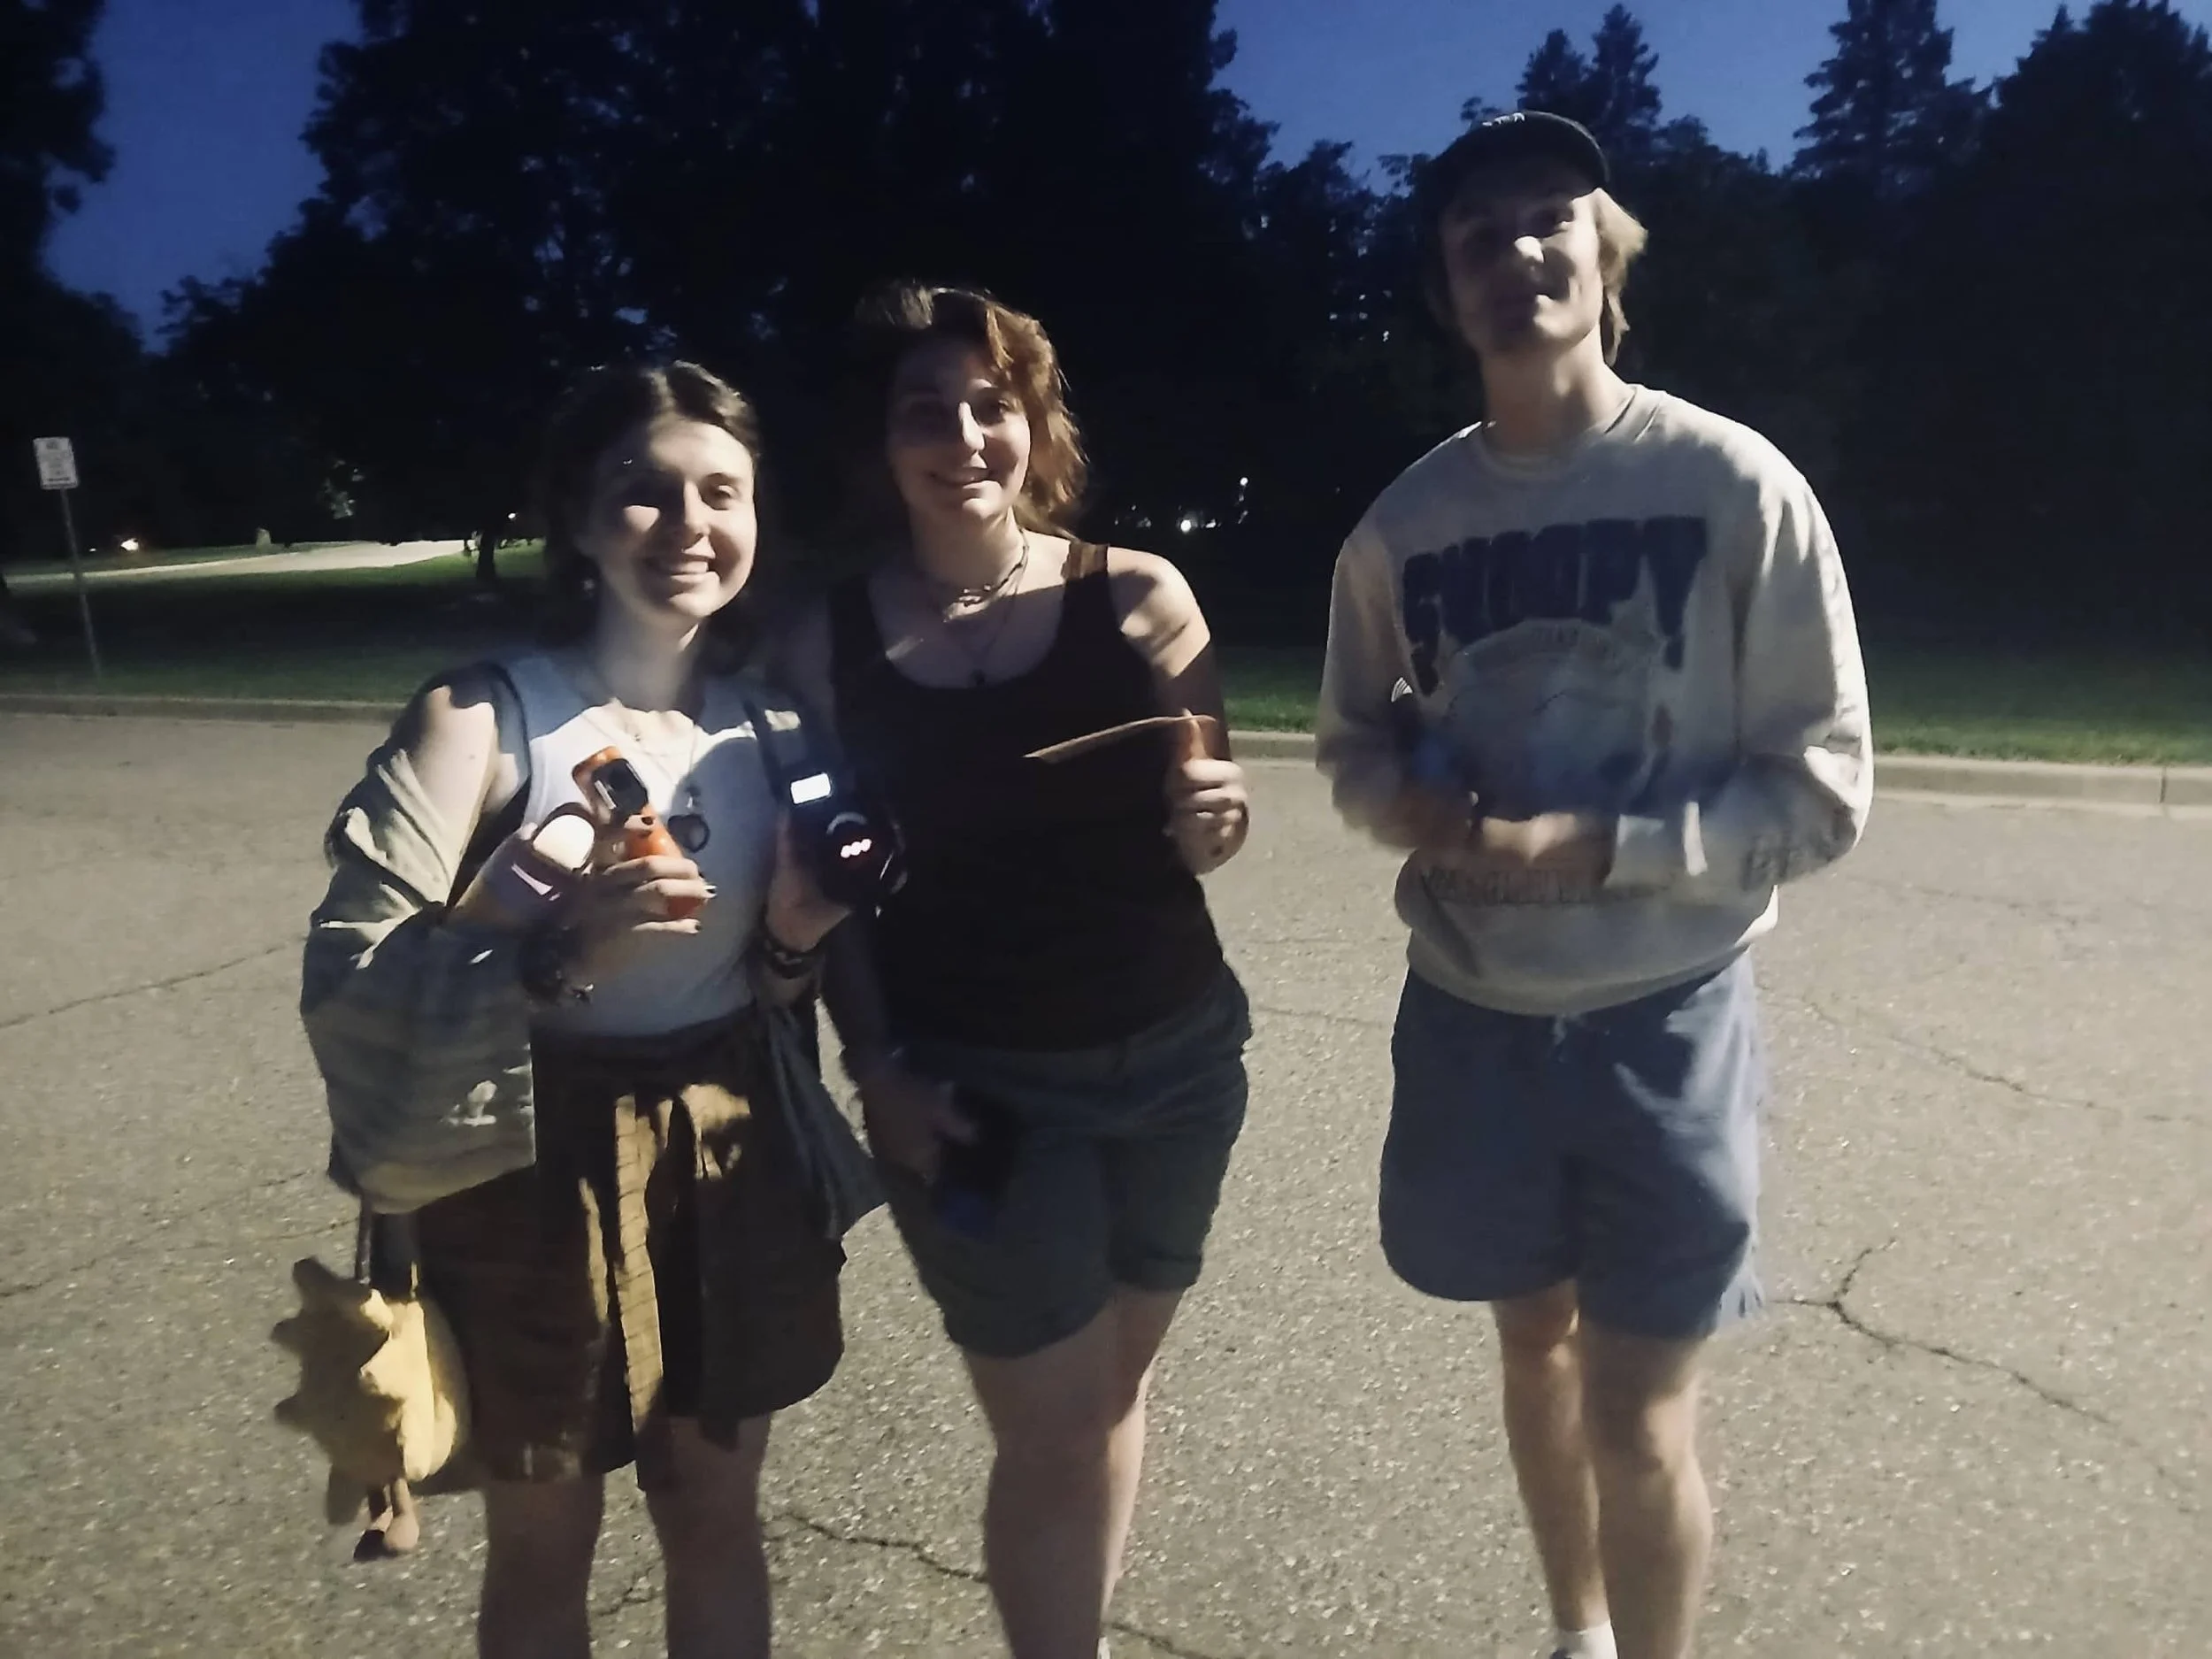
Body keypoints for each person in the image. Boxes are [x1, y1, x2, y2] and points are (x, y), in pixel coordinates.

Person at [1315, 112, 1872, 1659]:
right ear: (1447, 293)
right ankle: (1579, 1629)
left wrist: (1602, 852)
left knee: (1640, 1408)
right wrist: (1401, 803)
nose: (1515, 256)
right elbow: (1352, 745)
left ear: (1607, 253)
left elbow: (1824, 787)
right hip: (1475, 1018)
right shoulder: (1407, 528)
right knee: (1532, 1348)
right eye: (1474, 238)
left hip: (1665, 1017)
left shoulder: (1733, 488)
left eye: (1548, 219)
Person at [302, 362, 851, 1659]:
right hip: (528, 1172)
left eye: (722, 491)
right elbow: (347, 975)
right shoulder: (483, 716)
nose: (690, 524)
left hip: (729, 1150)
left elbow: (774, 984)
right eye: (643, 493)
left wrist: (789, 943)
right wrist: (554, 953)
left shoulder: (771, 722)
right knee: (548, 1538)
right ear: (580, 518)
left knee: (716, 1510)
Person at [777, 281, 1253, 1659]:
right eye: (926, 408)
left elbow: (1206, 800)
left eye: (994, 404)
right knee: (1047, 1431)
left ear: (1036, 427)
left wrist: (1216, 820)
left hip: (1176, 1065)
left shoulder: (1142, 595)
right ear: (881, 444)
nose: (964, 434)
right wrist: (880, 1071)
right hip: (973, 1091)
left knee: (1106, 1392)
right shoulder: (829, 643)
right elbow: (834, 887)